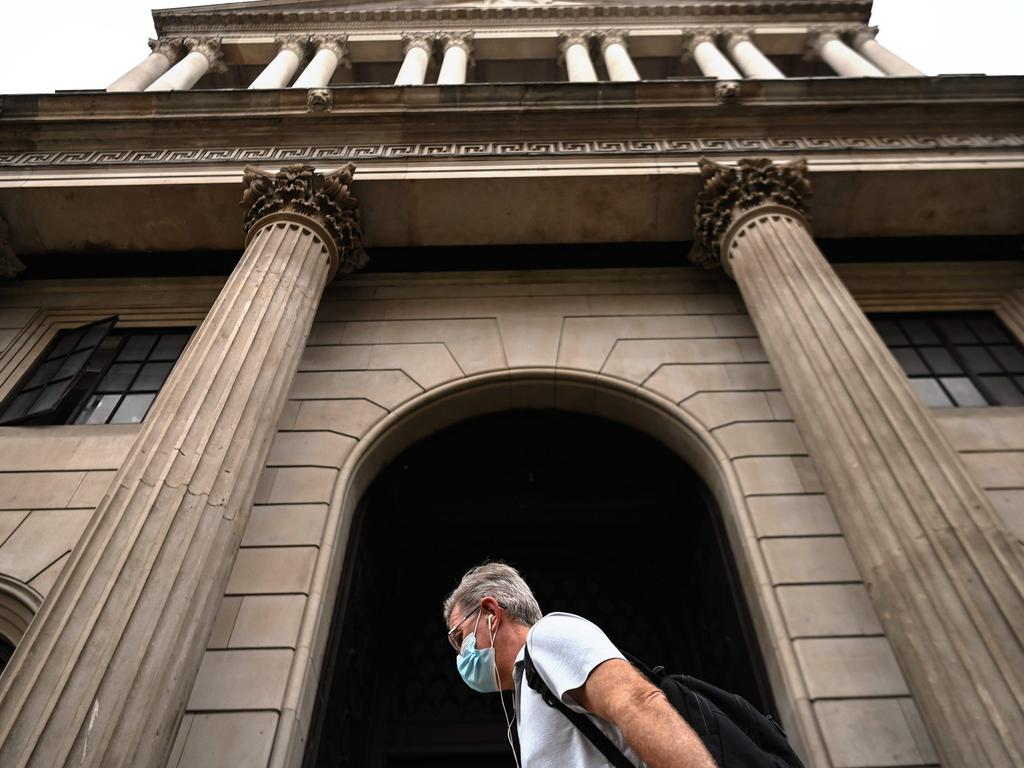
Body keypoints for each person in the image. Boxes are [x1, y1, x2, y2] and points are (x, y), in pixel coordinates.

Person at [443, 562, 717, 768]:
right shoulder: (524, 693)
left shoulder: (546, 637)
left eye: (460, 637)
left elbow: (639, 702)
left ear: (491, 612)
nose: (460, 655)